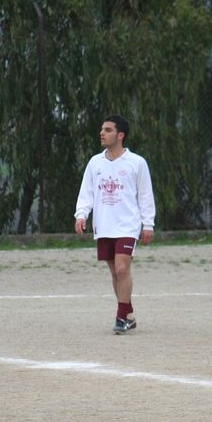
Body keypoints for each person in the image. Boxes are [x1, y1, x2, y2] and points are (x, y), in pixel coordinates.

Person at [74, 115, 155, 334]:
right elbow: (86, 192)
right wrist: (81, 215)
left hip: (128, 225)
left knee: (122, 268)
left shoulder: (136, 163)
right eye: (102, 129)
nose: (102, 133)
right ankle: (128, 314)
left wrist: (148, 224)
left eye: (108, 130)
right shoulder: (95, 163)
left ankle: (121, 317)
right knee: (115, 272)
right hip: (104, 225)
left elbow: (145, 195)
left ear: (120, 135)